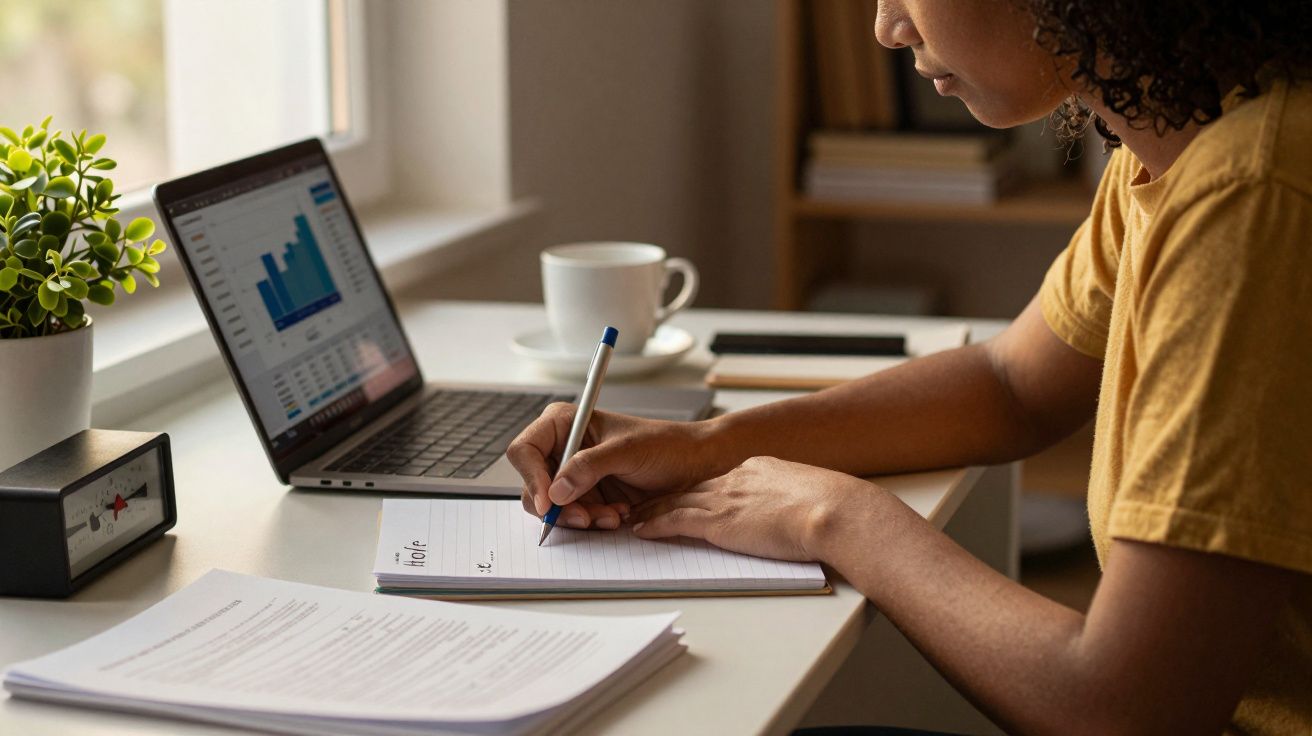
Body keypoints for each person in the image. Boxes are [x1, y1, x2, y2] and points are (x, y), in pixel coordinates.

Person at [508, 1, 1312, 732]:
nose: (887, 26)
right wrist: (705, 447)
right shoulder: (1180, 139)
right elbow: (1011, 386)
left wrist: (835, 517)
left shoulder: (1248, 196)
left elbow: (1122, 709)